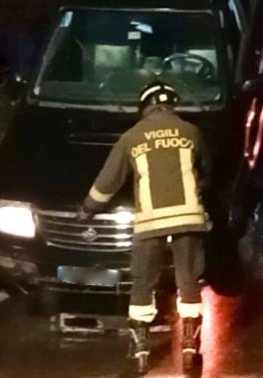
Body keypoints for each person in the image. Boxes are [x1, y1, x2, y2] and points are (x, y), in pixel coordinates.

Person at [79, 81, 211, 374]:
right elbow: (206, 175)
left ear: (145, 107)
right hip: (189, 219)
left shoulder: (131, 137)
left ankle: (140, 349)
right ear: (172, 105)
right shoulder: (192, 132)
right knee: (188, 281)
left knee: (143, 282)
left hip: (150, 222)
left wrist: (88, 209)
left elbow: (108, 182)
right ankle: (190, 347)